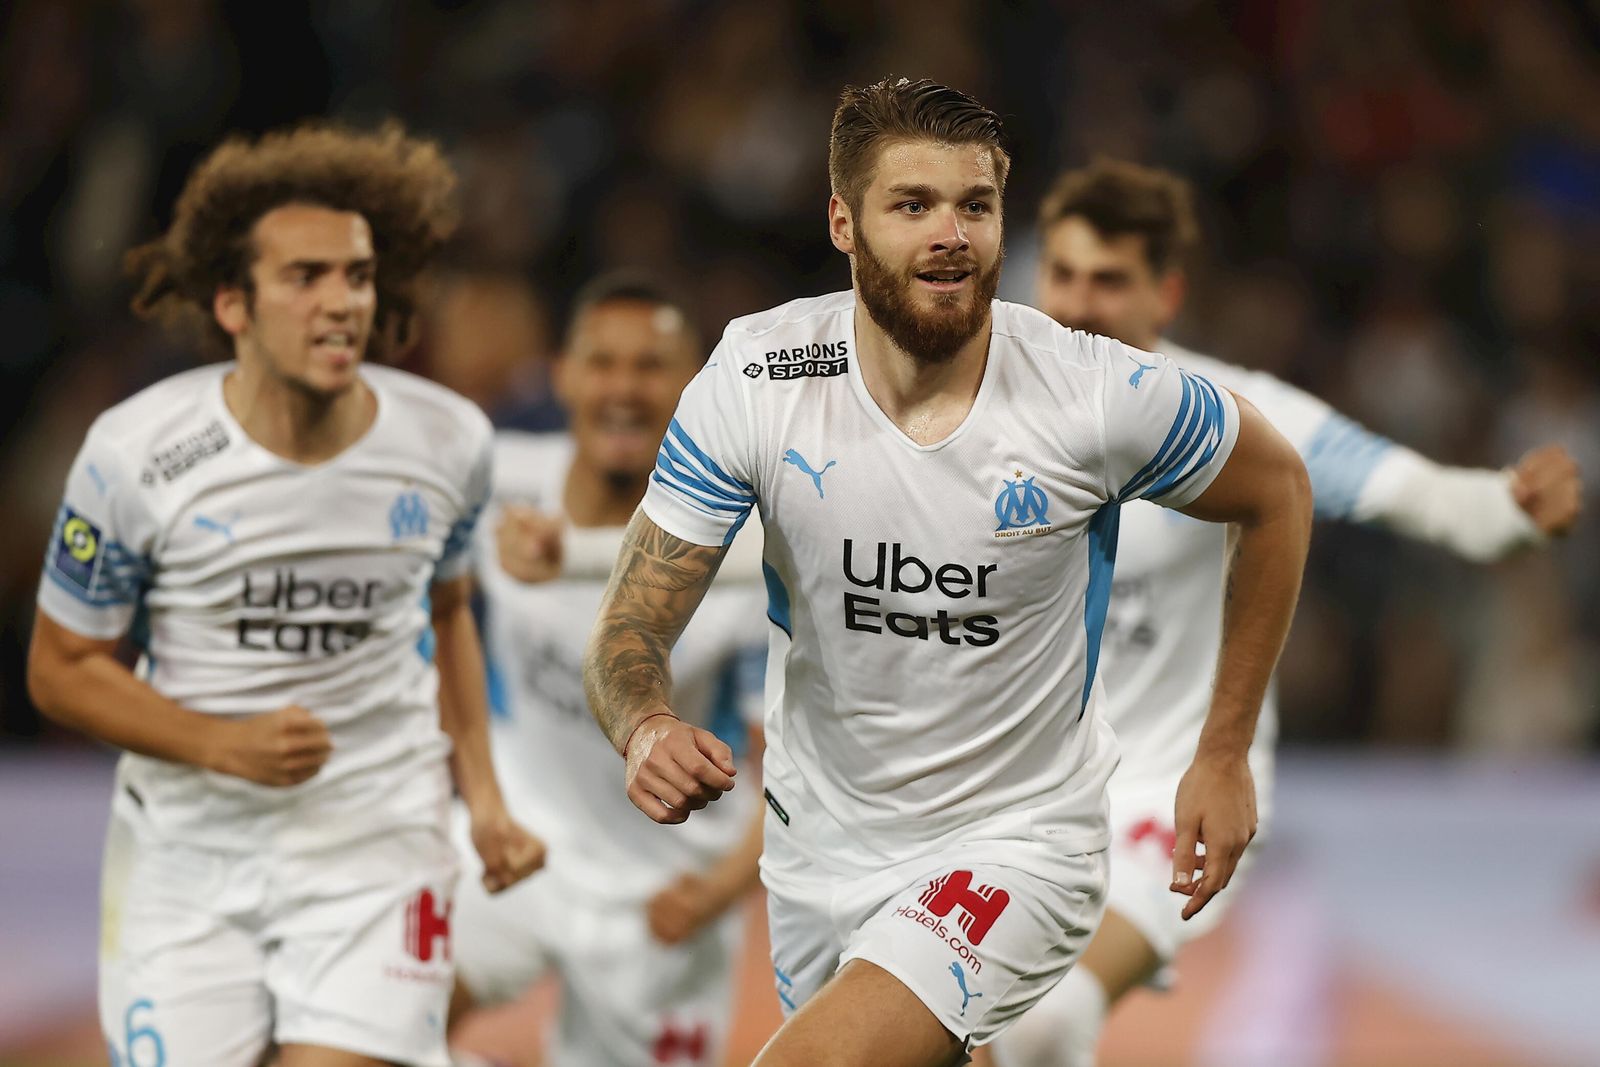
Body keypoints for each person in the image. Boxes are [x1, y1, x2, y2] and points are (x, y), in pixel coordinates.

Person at [582, 77, 1314, 1067]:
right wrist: (644, 725)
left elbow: (1275, 491)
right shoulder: (757, 377)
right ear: (842, 221)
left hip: (1016, 842)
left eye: (975, 205)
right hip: (818, 849)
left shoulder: (1088, 391)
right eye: (912, 204)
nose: (951, 234)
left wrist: (1222, 750)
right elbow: (630, 627)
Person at [996, 158, 1584, 1067]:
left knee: (1043, 1019)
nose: (1079, 304)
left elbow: (1403, 489)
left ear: (1168, 292)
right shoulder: (980, 414)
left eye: (1110, 281)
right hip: (1009, 797)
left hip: (1164, 788)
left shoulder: (1230, 413)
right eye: (1064, 275)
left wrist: (1501, 509)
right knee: (966, 1031)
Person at [26, 123, 545, 1067]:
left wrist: (484, 799)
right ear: (233, 303)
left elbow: (447, 608)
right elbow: (61, 670)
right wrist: (220, 742)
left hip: (374, 845)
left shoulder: (449, 441)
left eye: (355, 275)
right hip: (188, 857)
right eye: (304, 277)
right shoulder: (136, 453)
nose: (340, 302)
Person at [447, 276, 767, 1066]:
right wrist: (481, 799)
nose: (624, 388)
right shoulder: (499, 479)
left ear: (694, 385)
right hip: (519, 847)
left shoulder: (754, 545)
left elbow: (798, 760)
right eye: (603, 362)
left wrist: (722, 890)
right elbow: (435, 624)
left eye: (651, 366)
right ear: (561, 373)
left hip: (664, 898)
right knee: (372, 1023)